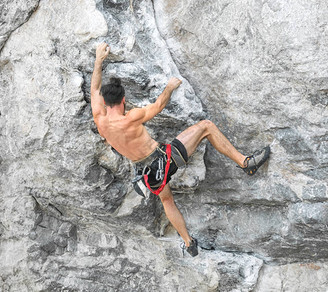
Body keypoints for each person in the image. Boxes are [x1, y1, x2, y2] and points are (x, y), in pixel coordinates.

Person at [91, 42, 270, 257]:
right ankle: (245, 163)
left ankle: (188, 242)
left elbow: (94, 88)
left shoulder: (99, 120)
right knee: (206, 127)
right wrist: (170, 87)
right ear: (123, 100)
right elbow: (158, 106)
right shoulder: (131, 117)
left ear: (104, 102)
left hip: (148, 175)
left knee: (167, 200)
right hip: (164, 160)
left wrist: (99, 59)